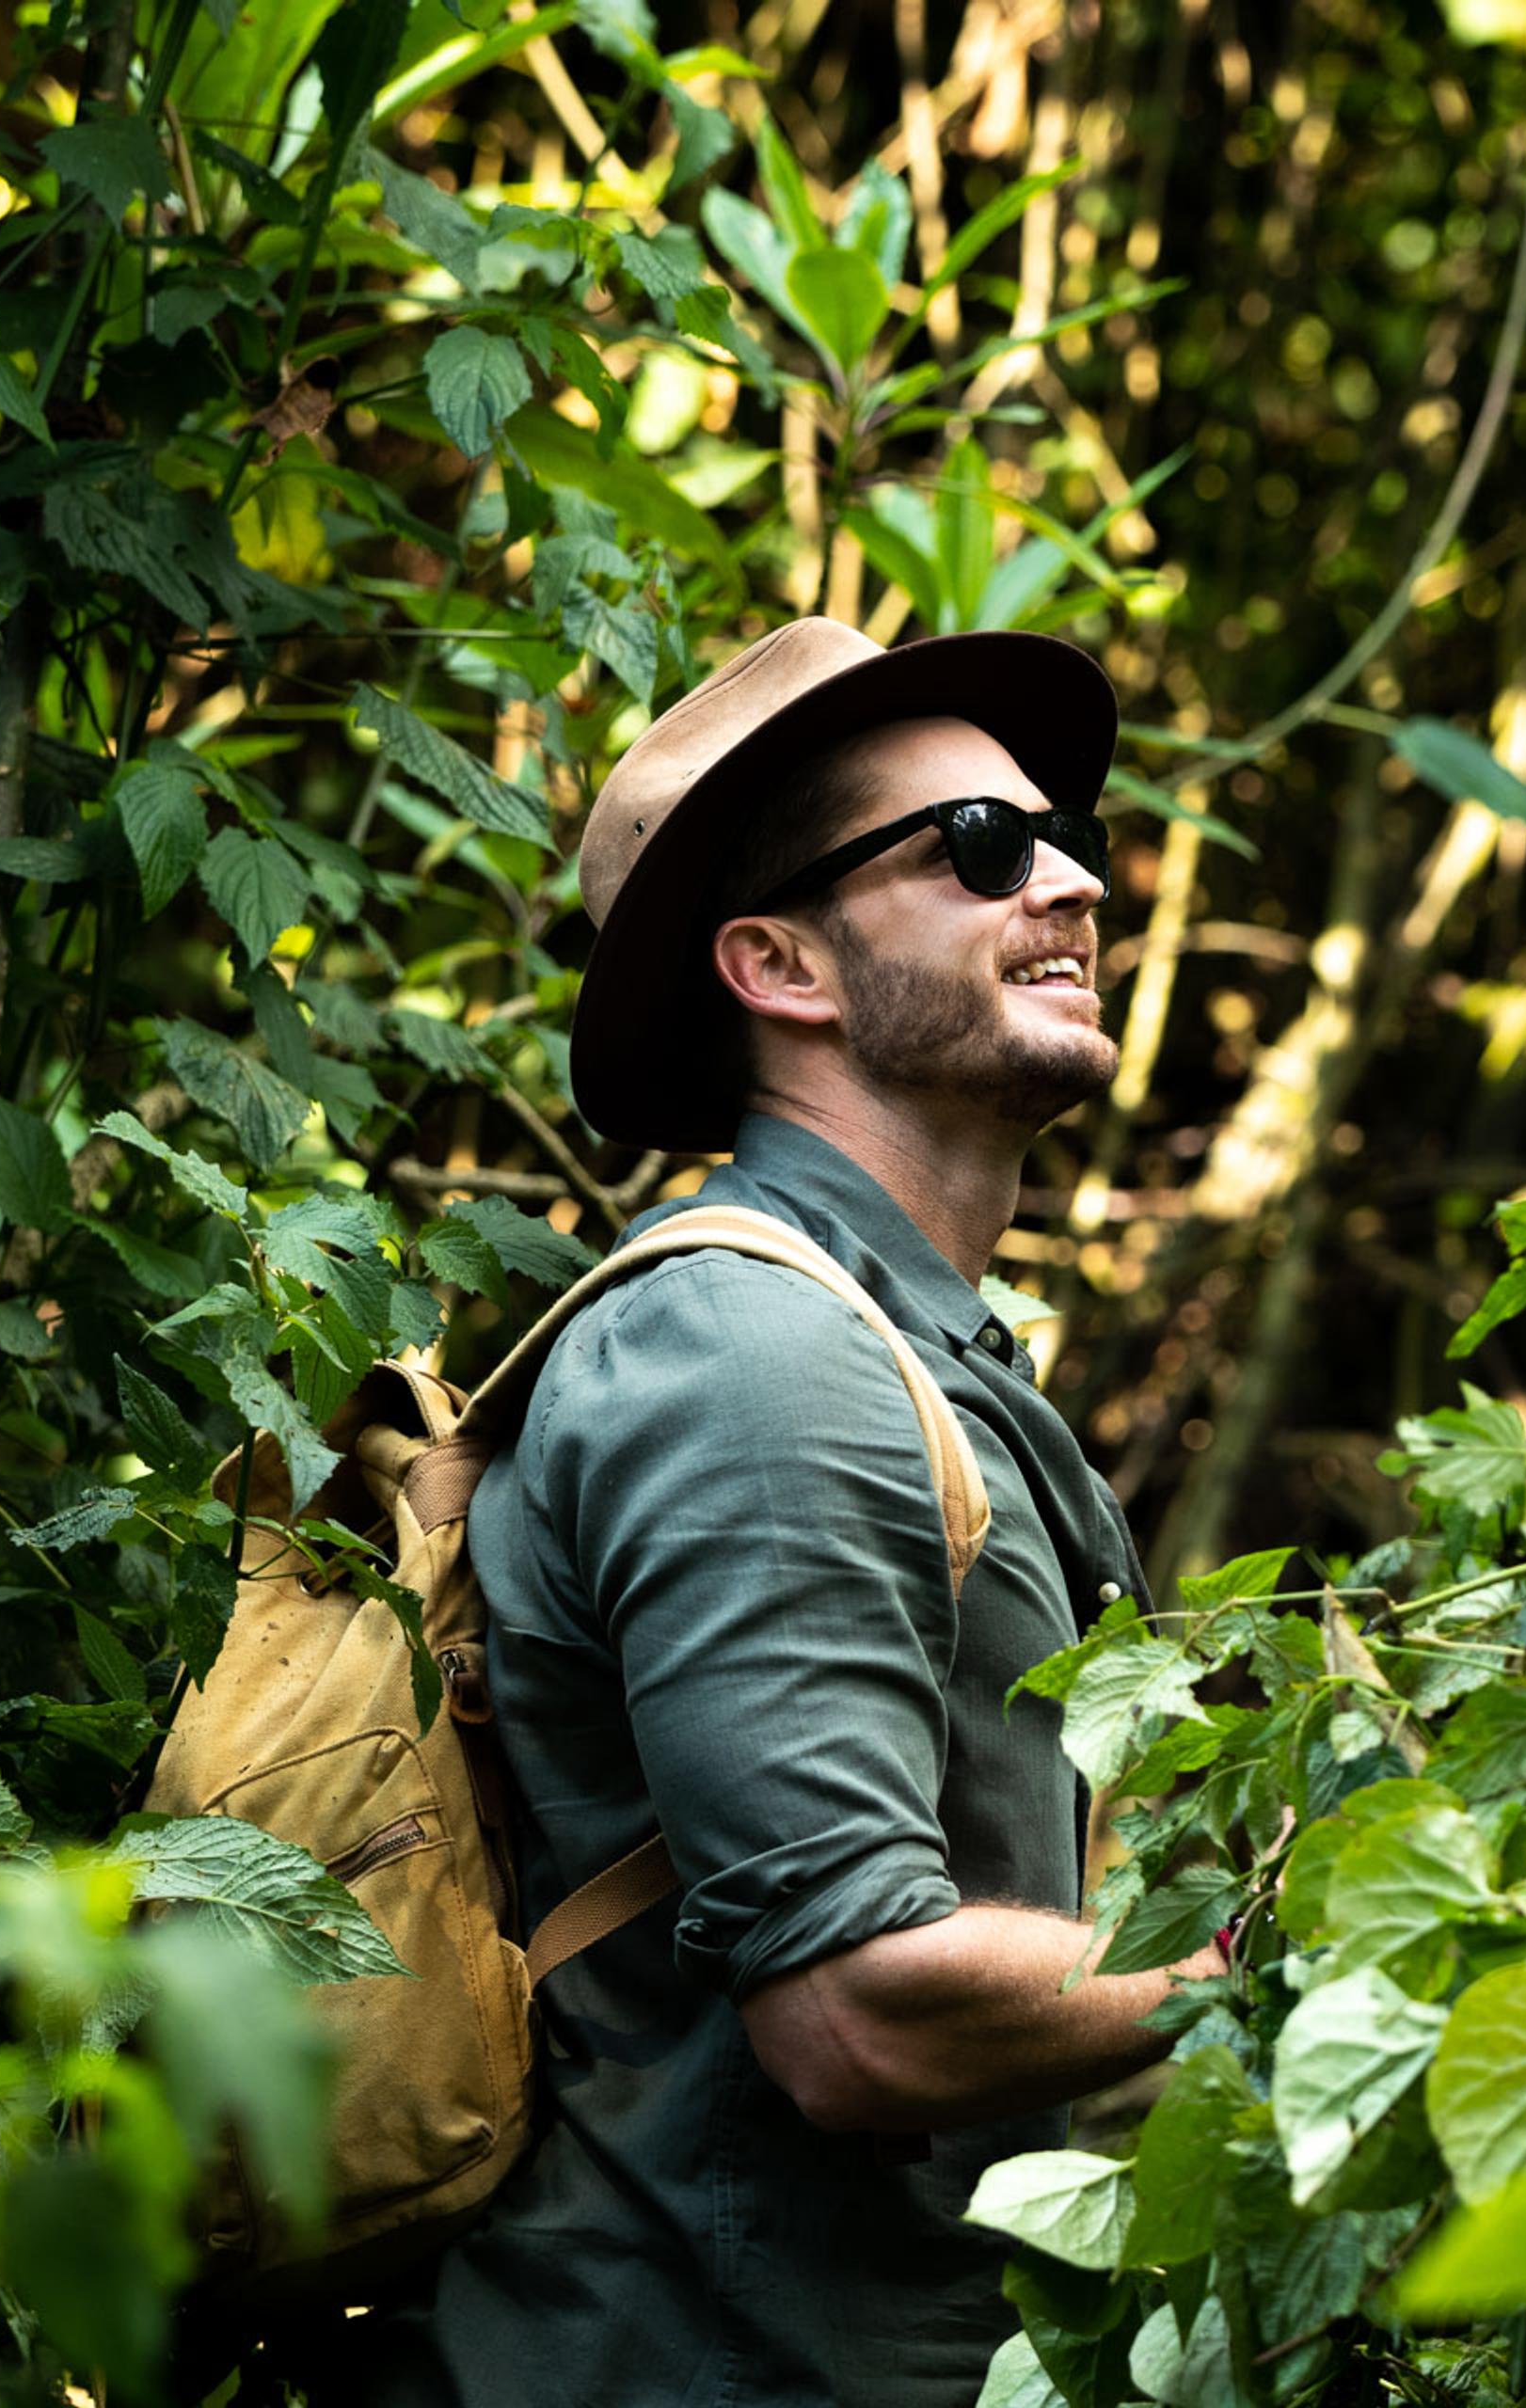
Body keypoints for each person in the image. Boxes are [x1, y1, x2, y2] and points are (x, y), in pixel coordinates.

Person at [382, 618, 1224, 2408]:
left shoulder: (905, 1350)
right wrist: (1268, 1973)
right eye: (982, 849)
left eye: (1065, 832)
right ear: (781, 965)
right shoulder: (753, 1360)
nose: (1072, 881)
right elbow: (854, 2011)